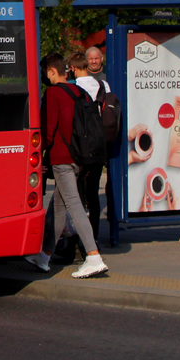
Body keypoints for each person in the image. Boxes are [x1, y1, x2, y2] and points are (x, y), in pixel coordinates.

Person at [25, 54, 110, 279]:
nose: (44, 76)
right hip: (80, 156)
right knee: (59, 207)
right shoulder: (78, 92)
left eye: (45, 72)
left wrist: (39, 155)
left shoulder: (53, 94)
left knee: (73, 204)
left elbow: (48, 130)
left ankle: (93, 256)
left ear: (51, 71)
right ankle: (44, 256)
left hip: (62, 158)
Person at [69, 52, 111, 249]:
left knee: (78, 196)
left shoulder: (73, 88)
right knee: (93, 194)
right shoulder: (104, 86)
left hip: (80, 148)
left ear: (75, 68)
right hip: (99, 145)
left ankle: (81, 241)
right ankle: (94, 236)